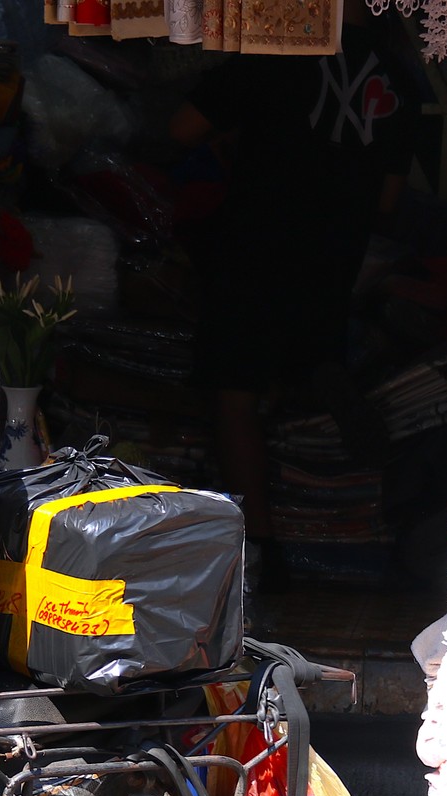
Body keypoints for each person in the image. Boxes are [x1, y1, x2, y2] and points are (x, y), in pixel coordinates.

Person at [170, 0, 421, 588]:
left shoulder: (281, 47)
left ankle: (259, 545)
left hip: (256, 246)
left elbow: (182, 128)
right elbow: (387, 200)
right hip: (335, 258)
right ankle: (321, 381)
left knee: (234, 396)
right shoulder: (399, 76)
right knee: (290, 382)